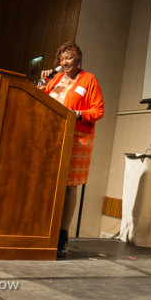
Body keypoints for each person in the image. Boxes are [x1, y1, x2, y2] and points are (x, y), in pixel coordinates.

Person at [40, 42, 104, 257]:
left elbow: (98, 110)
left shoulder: (89, 79)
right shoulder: (54, 79)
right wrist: (43, 81)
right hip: (49, 136)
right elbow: (35, 97)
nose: (64, 62)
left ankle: (62, 235)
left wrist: (77, 114)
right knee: (46, 182)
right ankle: (41, 229)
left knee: (69, 186)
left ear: (79, 60)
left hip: (77, 138)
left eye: (69, 58)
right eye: (61, 58)